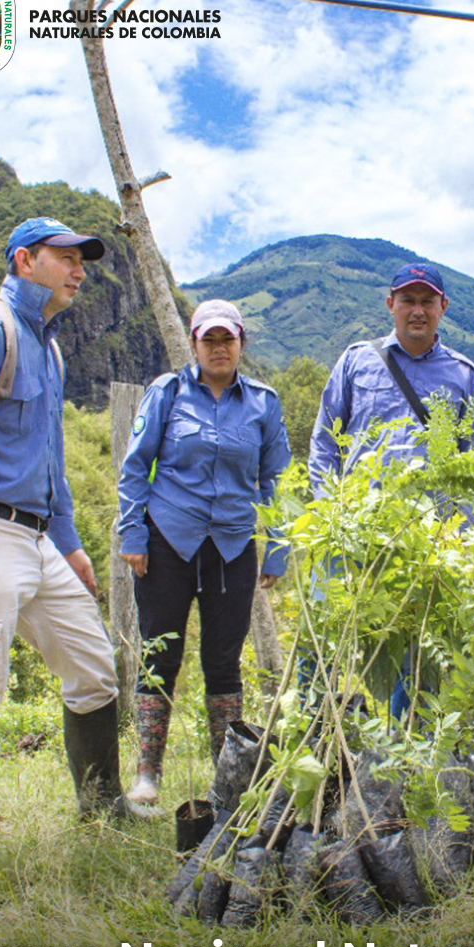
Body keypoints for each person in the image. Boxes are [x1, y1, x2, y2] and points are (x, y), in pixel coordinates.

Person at [0, 217, 149, 848]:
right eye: (67, 258)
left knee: (93, 667)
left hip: (39, 537)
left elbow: (51, 461)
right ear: (25, 260)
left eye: (83, 261)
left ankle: (103, 810)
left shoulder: (46, 347)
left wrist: (71, 546)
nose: (80, 270)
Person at [117, 299, 290, 805]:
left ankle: (226, 777)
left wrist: (276, 550)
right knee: (159, 653)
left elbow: (275, 479)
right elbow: (135, 468)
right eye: (208, 339)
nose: (218, 348)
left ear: (241, 344)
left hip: (233, 546)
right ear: (193, 344)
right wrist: (133, 535)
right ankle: (148, 775)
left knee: (223, 660)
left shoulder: (263, 402)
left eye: (227, 339)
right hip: (167, 541)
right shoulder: (166, 394)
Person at [307, 263, 474, 716]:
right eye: (407, 300)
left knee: (419, 649)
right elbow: (325, 440)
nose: (417, 311)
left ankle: (403, 754)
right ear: (390, 304)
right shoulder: (356, 360)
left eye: (427, 301)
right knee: (325, 635)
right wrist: (330, 512)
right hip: (351, 530)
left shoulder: (463, 374)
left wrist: (458, 534)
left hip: (427, 539)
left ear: (443, 308)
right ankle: (313, 731)